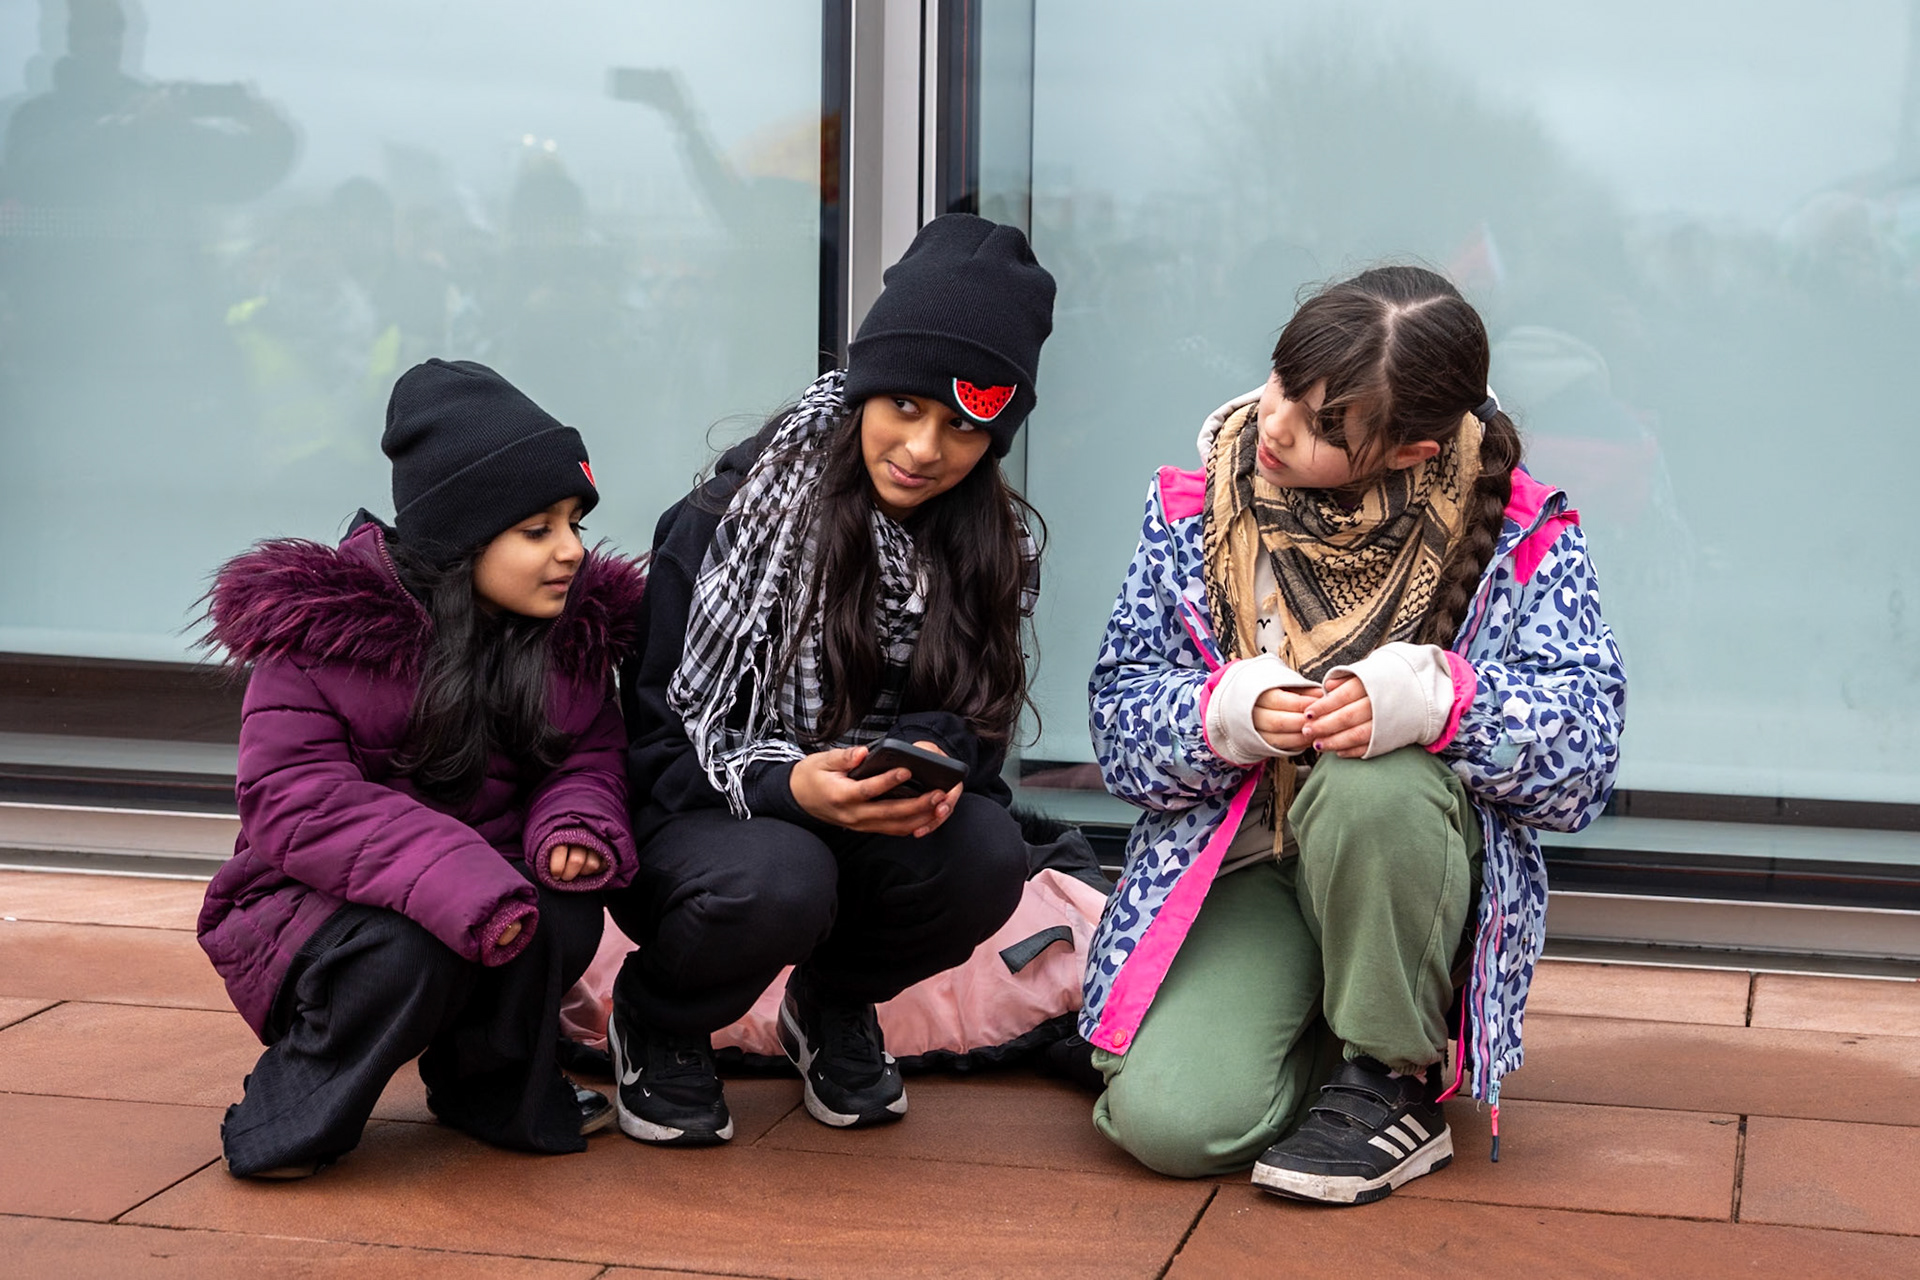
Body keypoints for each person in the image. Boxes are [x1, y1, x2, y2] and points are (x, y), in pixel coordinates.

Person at [1081, 266, 1625, 1204]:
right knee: (1169, 1124)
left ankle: (1388, 1074)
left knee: (1374, 782)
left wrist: (1440, 701)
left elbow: (1586, 762)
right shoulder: (1190, 505)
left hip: (1402, 866)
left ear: (1412, 450)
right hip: (1246, 866)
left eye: (1330, 425)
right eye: (1286, 382)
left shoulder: (1524, 527)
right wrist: (1225, 714)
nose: (1279, 424)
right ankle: (1317, 1038)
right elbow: (1118, 720)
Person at [606, 213, 1054, 1145]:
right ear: (861, 393)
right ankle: (658, 1014)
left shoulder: (985, 546)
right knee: (785, 875)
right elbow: (656, 751)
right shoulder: (726, 521)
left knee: (986, 854)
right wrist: (788, 786)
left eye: (964, 429)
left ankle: (834, 1003)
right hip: (708, 821)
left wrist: (930, 762)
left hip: (856, 819)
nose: (925, 449)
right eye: (904, 408)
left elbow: (979, 739)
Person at [198, 358, 645, 1178]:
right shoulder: (326, 642)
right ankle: (292, 1109)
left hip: (487, 885)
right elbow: (294, 802)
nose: (573, 552)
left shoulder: (564, 636)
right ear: (463, 535)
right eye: (538, 530)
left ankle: (491, 1086)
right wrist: (461, 874)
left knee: (564, 909)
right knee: (412, 953)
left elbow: (588, 752)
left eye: (575, 522)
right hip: (314, 906)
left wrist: (573, 824)